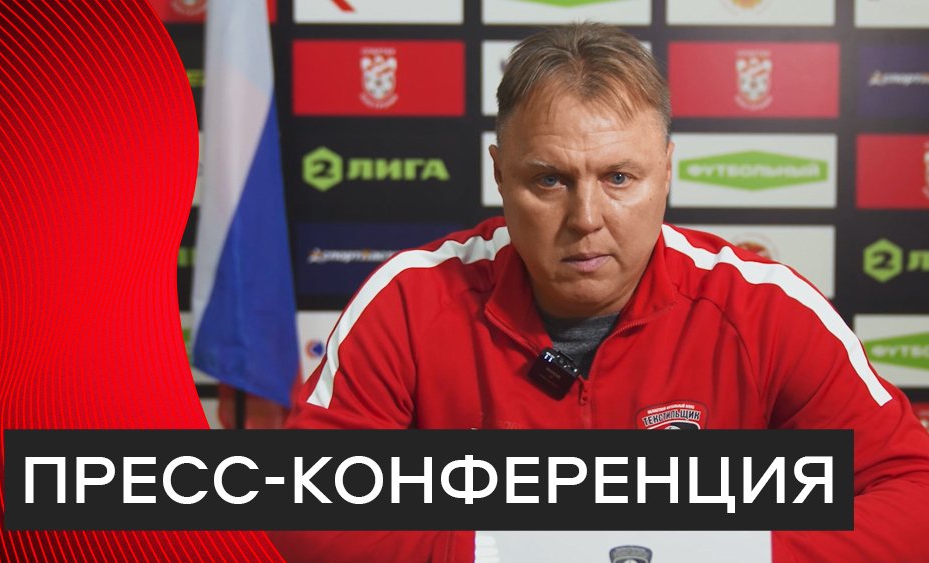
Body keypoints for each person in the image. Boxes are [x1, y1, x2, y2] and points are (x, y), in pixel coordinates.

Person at [269, 23, 929, 562]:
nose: (586, 218)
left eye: (619, 177)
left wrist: (724, 552)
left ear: (665, 172)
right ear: (499, 173)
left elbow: (913, 490)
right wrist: (510, 550)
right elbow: (304, 508)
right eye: (549, 180)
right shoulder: (411, 301)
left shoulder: (762, 306)